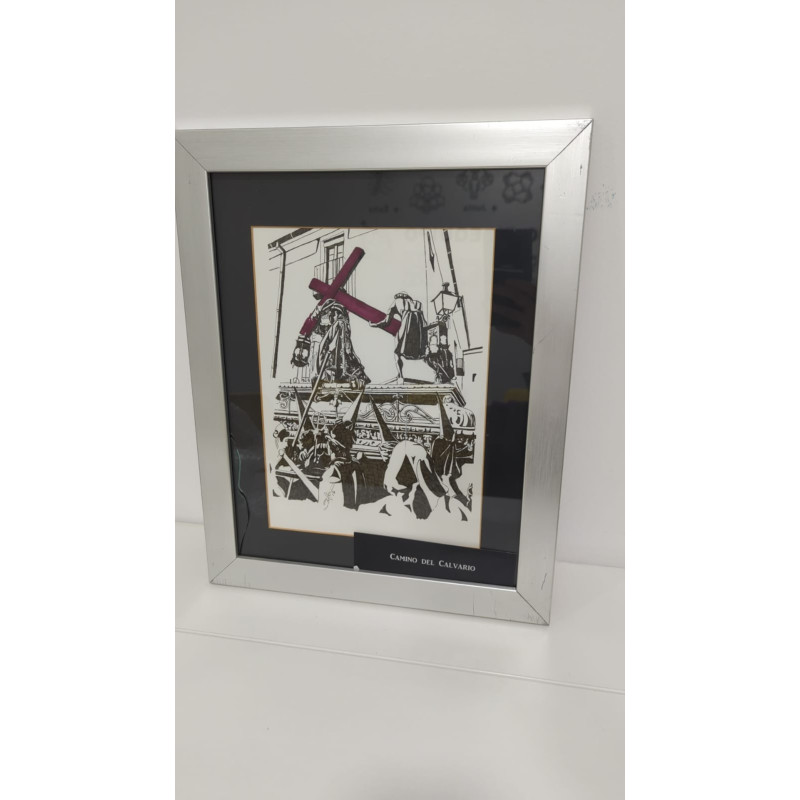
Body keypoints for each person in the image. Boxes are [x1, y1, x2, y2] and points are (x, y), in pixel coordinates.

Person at [371, 292, 426, 382]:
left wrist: (374, 325)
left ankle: (400, 376)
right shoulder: (418, 303)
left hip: (405, 327)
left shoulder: (396, 301)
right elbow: (424, 322)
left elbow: (386, 322)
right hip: (417, 331)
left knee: (397, 353)